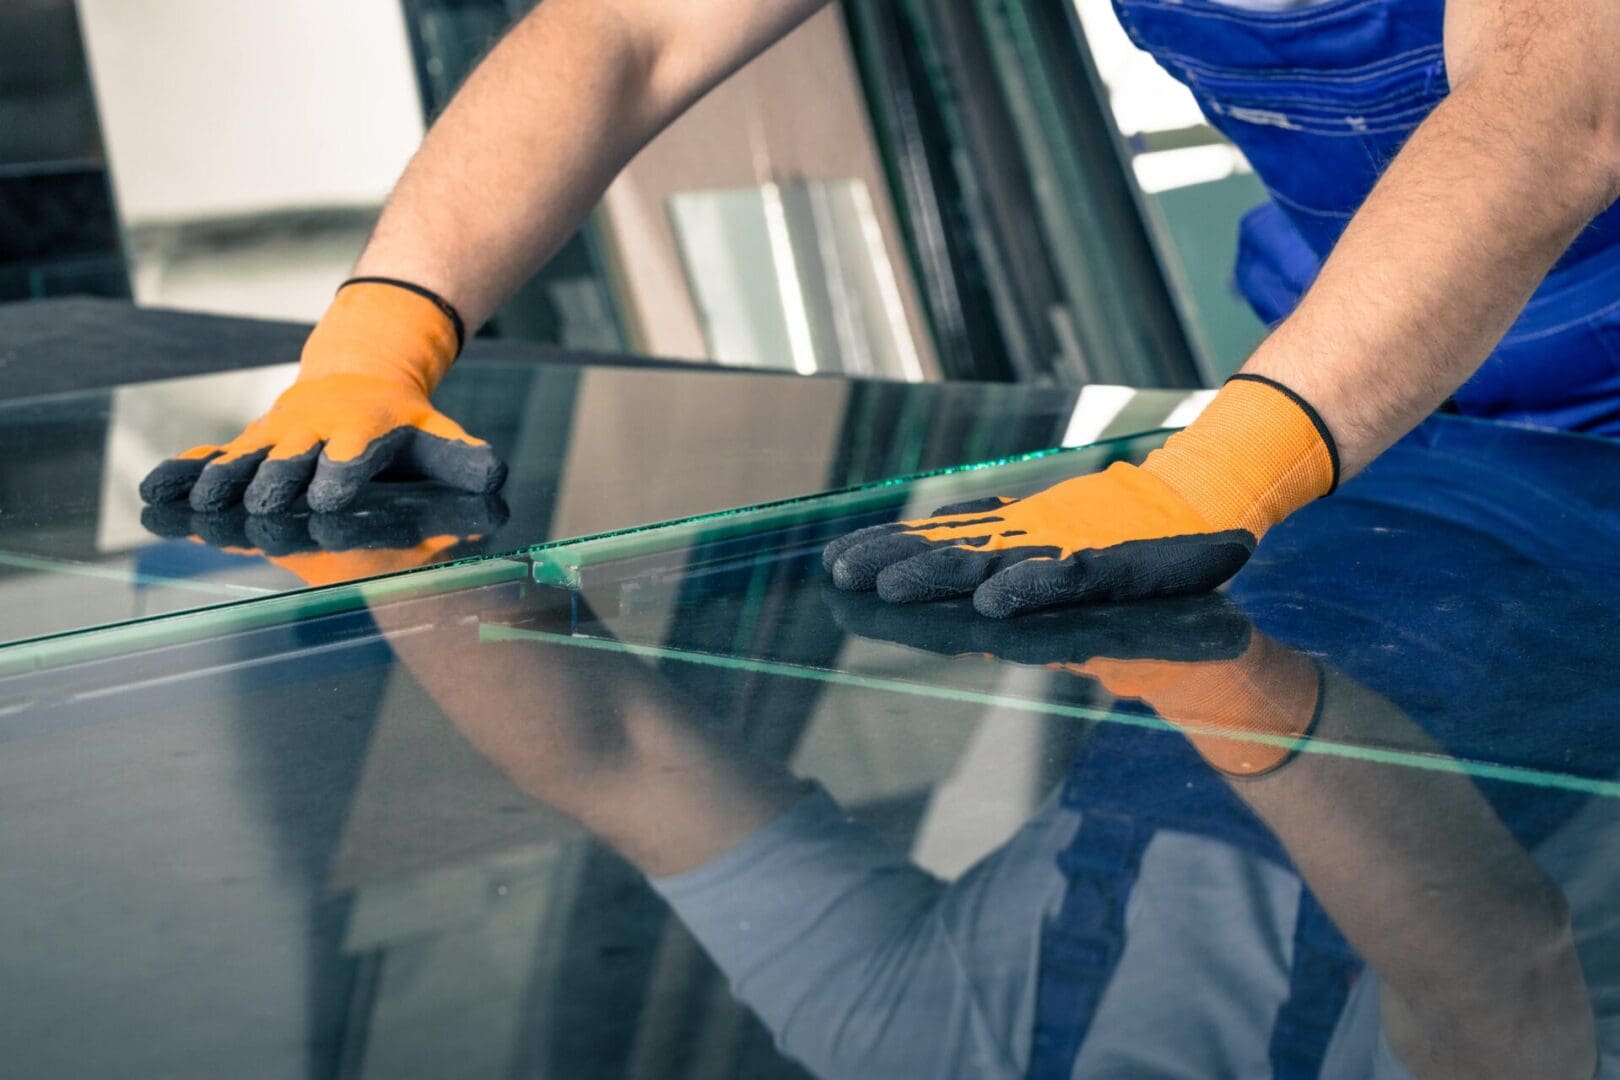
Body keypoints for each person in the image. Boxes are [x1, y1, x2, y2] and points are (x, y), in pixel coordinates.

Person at [140, 0, 1620, 617]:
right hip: (1422, 428)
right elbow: (629, 30)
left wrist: (1226, 469)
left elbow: (1563, 103)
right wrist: (372, 348)